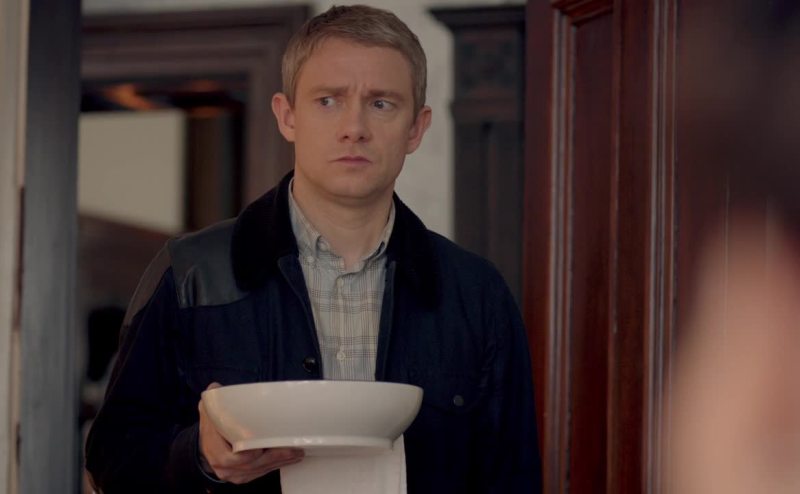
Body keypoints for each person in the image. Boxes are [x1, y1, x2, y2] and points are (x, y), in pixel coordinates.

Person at [85, 5, 541, 493]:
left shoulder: (476, 294)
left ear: (416, 128)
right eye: (328, 100)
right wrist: (200, 456)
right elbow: (111, 459)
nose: (354, 127)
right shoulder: (190, 272)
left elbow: (513, 480)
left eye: (381, 103)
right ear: (287, 116)